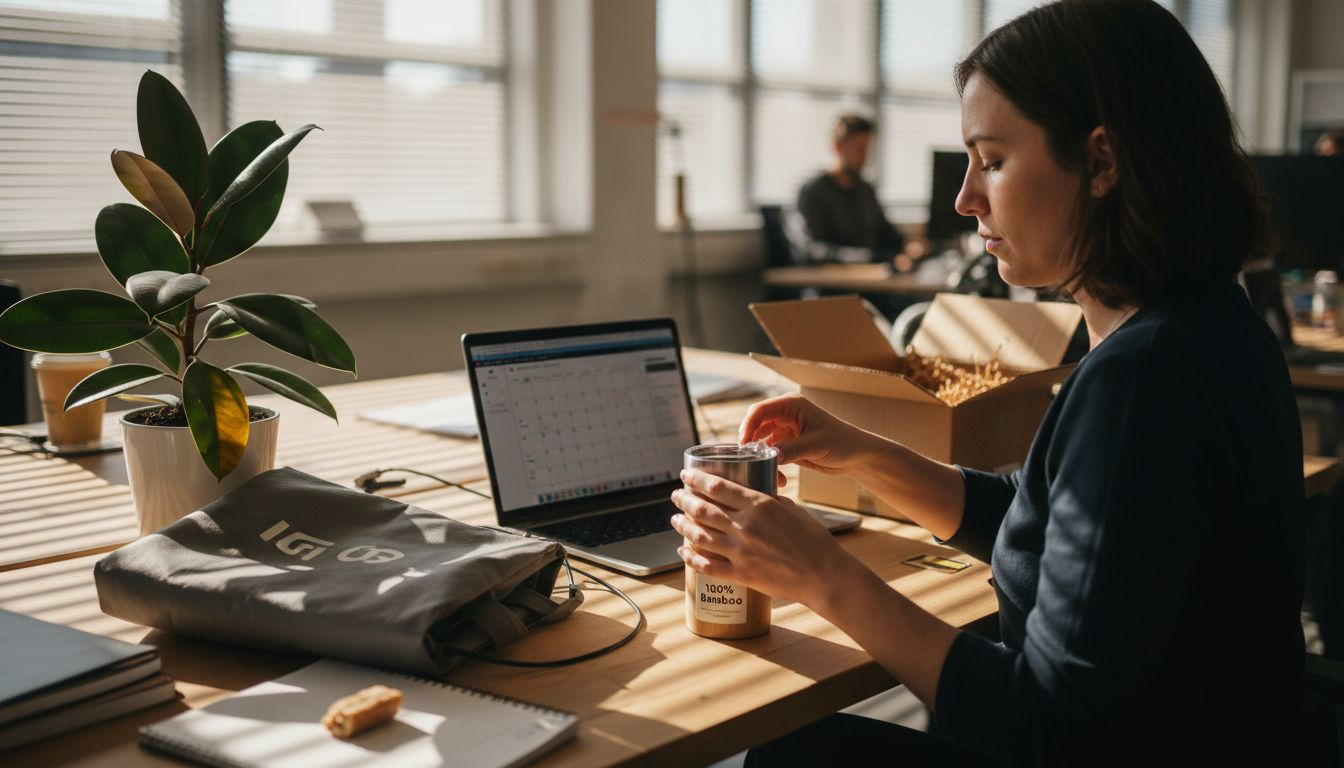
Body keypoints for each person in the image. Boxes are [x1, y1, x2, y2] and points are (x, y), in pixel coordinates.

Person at [670, 1, 1304, 764]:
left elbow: (1050, 726)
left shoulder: (1140, 383)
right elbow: (1057, 530)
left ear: (1102, 162)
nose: (965, 199)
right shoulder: (1211, 325)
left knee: (775, 753)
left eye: (993, 160)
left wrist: (820, 573)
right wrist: (865, 451)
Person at [795, 114, 909, 267]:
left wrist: (908, 246)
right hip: (830, 284)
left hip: (871, 281)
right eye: (858, 149)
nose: (864, 156)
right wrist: (871, 257)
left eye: (867, 149)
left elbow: (886, 233)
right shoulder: (813, 191)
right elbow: (812, 250)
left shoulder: (865, 190)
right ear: (837, 147)